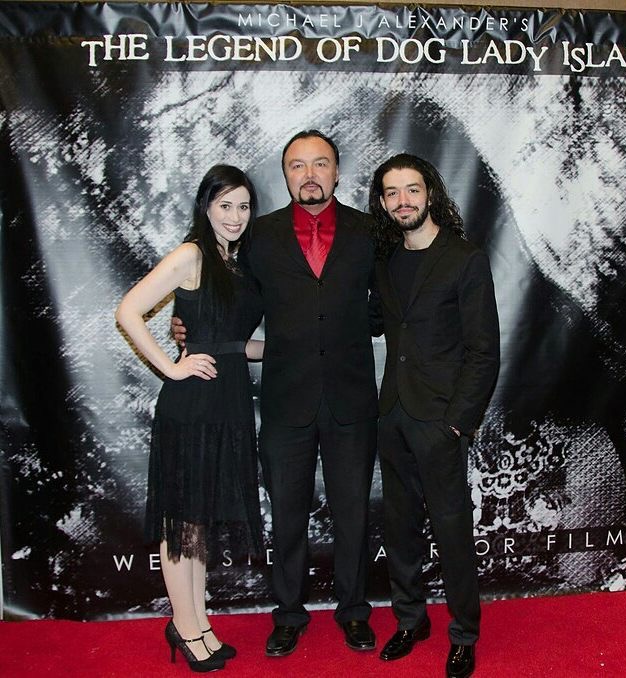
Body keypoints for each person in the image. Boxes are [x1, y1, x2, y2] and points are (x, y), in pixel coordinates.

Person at [173, 131, 379, 657]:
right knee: (287, 513)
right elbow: (230, 298)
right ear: (285, 175)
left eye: (320, 164)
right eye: (296, 166)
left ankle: (355, 611)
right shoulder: (258, 236)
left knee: (353, 511)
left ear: (337, 171)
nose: (308, 175)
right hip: (286, 400)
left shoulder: (369, 231)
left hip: (352, 400)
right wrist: (193, 328)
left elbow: (391, 304)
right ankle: (288, 614)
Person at [116, 165, 264, 672]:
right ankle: (184, 625)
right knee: (184, 523)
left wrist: (294, 349)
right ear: (206, 207)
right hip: (193, 405)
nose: (235, 216)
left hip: (230, 405)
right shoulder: (192, 254)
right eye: (225, 205)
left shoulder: (237, 264)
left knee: (198, 521)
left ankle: (197, 623)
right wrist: (172, 369)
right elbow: (129, 310)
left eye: (244, 206)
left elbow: (235, 343)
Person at [368, 154, 500, 678]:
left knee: (451, 531)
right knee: (399, 527)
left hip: (439, 419)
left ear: (431, 194)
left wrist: (457, 422)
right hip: (393, 413)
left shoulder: (464, 259)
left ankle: (464, 633)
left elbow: (484, 352)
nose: (404, 200)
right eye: (393, 192)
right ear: (383, 203)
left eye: (412, 190)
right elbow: (375, 322)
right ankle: (410, 619)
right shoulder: (384, 260)